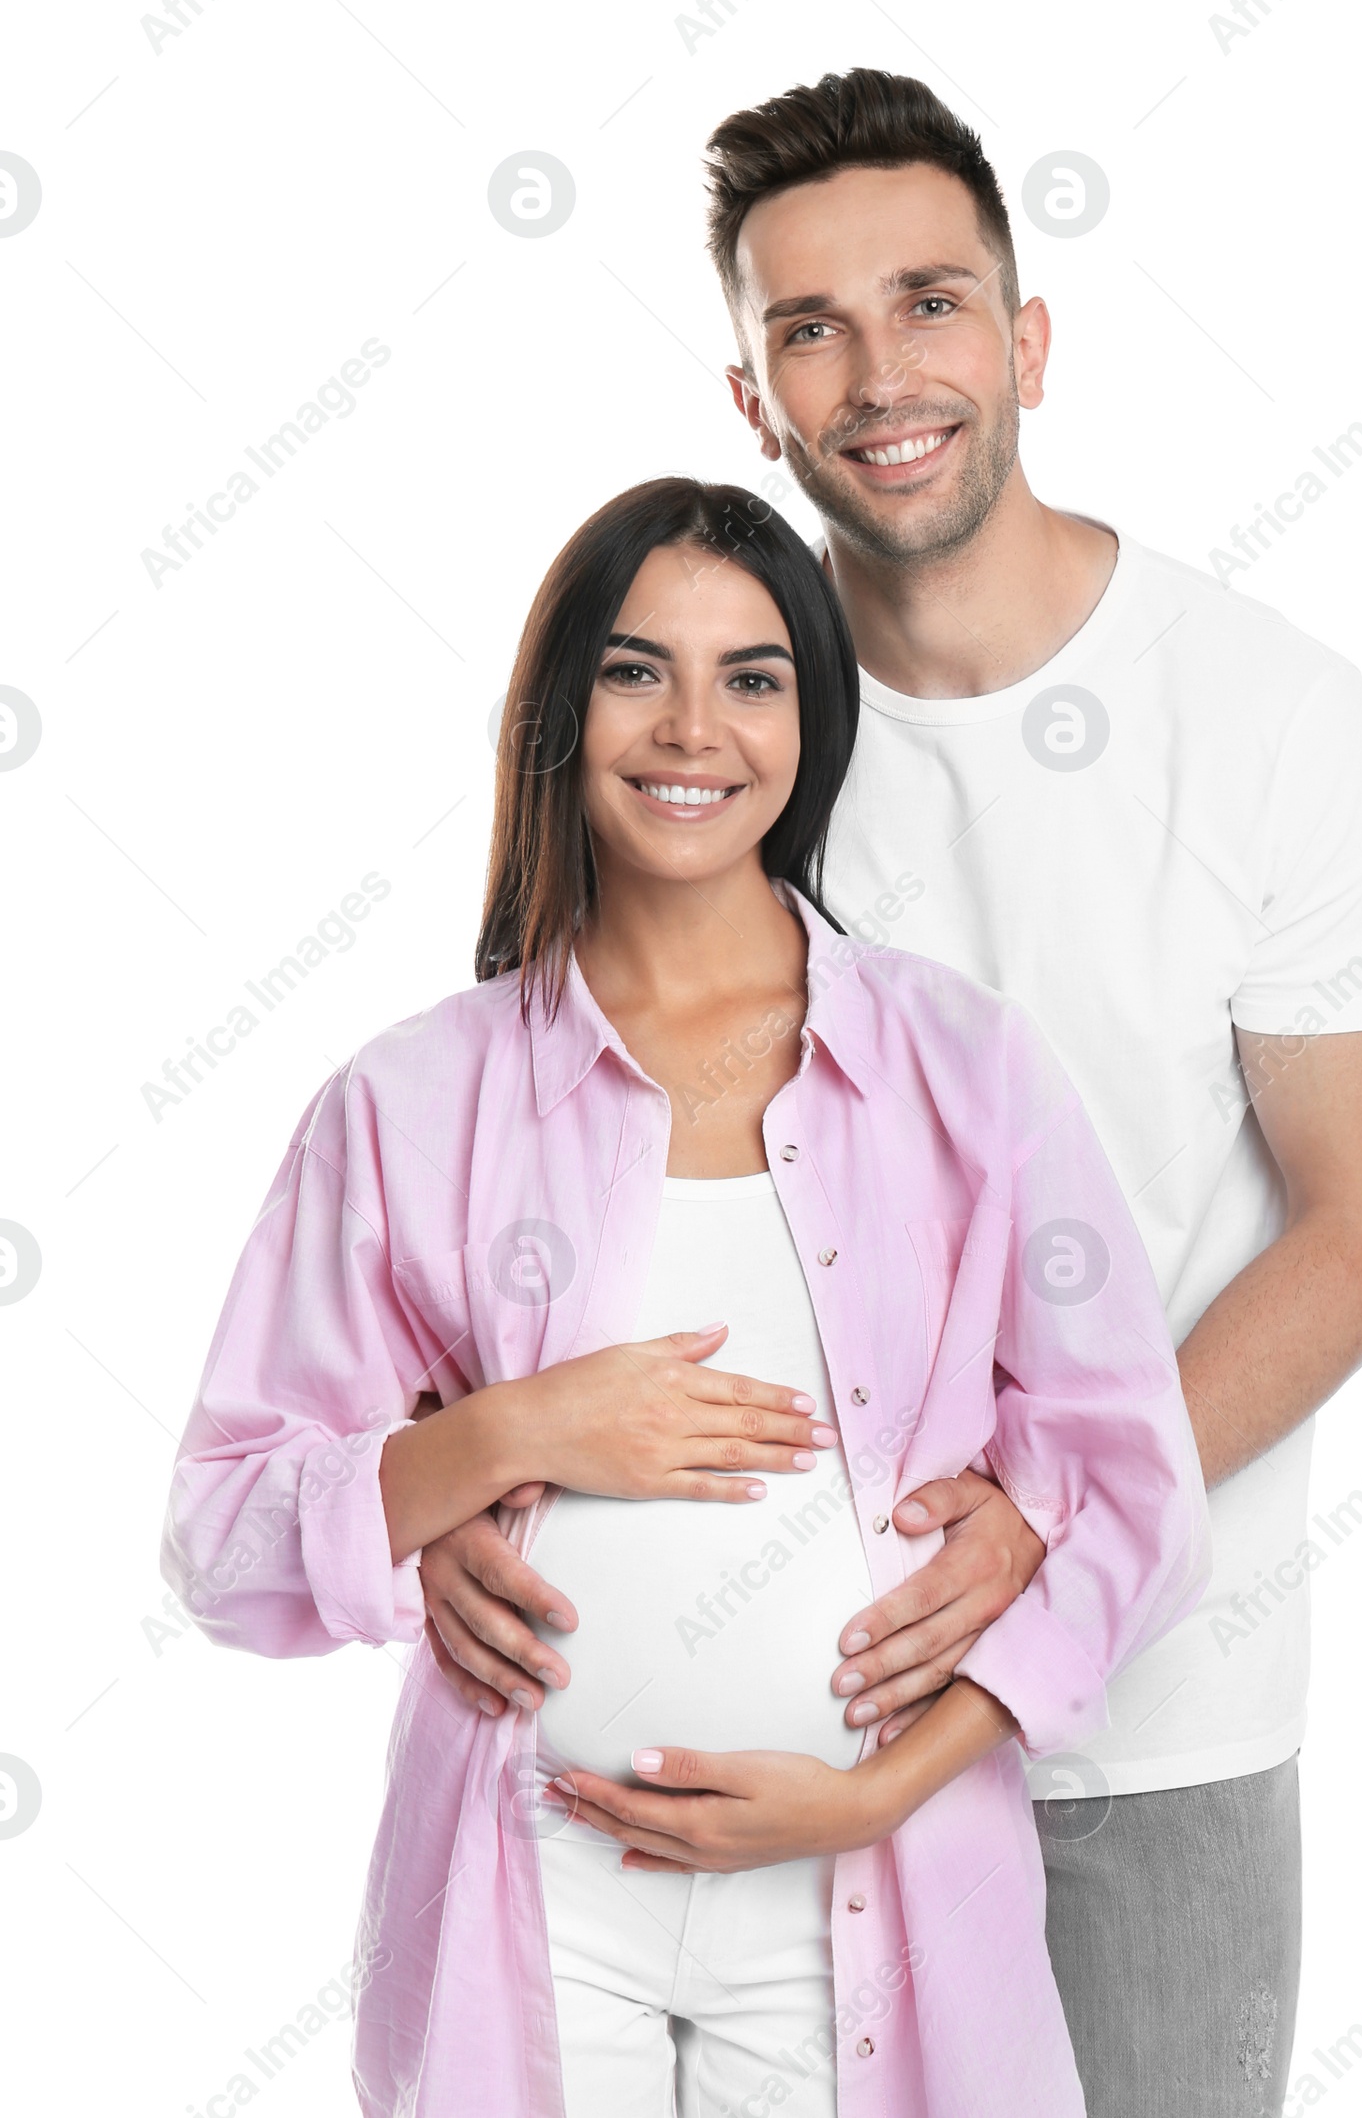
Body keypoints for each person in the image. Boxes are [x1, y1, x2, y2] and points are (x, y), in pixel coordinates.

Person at [415, 72, 1362, 2115]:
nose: (879, 375)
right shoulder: (714, 733)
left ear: (1024, 339)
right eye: (807, 328)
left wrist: (1050, 1514)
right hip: (723, 1753)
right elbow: (520, 1160)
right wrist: (449, 1475)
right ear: (749, 396)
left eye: (928, 304)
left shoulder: (1264, 721)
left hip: (1139, 1733)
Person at [160, 476, 1209, 2118]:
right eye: (639, 670)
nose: (692, 728)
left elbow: (1134, 1485)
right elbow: (220, 1532)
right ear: (564, 709)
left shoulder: (969, 1069)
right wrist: (500, 1439)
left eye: (754, 674)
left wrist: (879, 1795)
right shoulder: (409, 1099)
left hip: (873, 1884)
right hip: (530, 1889)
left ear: (815, 716)